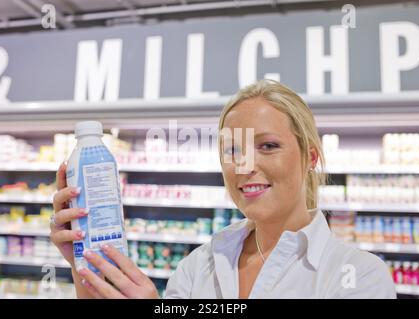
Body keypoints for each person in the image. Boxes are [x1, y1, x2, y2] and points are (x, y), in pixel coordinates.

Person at [50, 80, 396, 299]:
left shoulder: (358, 276)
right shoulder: (198, 266)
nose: (244, 166)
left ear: (310, 156)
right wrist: (86, 266)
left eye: (268, 146)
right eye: (232, 150)